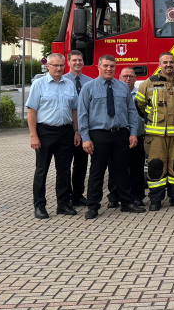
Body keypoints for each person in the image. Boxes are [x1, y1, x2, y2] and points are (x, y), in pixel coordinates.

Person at [78, 55, 144, 219]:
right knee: (97, 171)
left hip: (121, 133)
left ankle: (126, 202)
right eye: (106, 66)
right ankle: (93, 206)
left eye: (112, 66)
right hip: (99, 134)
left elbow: (132, 112)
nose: (109, 69)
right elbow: (82, 114)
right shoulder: (89, 87)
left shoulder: (123, 87)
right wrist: (85, 138)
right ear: (98, 67)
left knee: (122, 170)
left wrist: (133, 133)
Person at [135, 51, 174, 211]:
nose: (169, 65)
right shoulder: (149, 83)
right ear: (159, 64)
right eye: (165, 62)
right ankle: (156, 200)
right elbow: (140, 104)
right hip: (155, 136)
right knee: (156, 166)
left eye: (171, 62)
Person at [26, 53, 80, 219]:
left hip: (65, 131)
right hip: (45, 132)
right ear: (47, 66)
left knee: (64, 170)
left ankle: (63, 204)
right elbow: (31, 111)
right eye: (55, 65)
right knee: (42, 170)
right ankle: (39, 206)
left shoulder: (69, 84)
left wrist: (76, 131)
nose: (58, 68)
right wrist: (33, 135)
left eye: (61, 66)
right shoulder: (39, 84)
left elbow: (74, 109)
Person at [62, 50, 92, 206]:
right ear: (68, 62)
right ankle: (66, 195)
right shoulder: (63, 81)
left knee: (81, 164)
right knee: (65, 164)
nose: (77, 63)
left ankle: (78, 195)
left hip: (84, 129)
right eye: (74, 60)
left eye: (80, 60)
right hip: (67, 129)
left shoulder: (90, 81)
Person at [119, 67, 146, 206]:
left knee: (137, 169)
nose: (128, 79)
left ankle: (138, 196)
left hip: (138, 136)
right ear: (120, 77)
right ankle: (117, 196)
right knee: (119, 168)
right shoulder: (116, 93)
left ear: (135, 78)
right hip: (120, 137)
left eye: (131, 76)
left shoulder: (141, 94)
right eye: (125, 76)